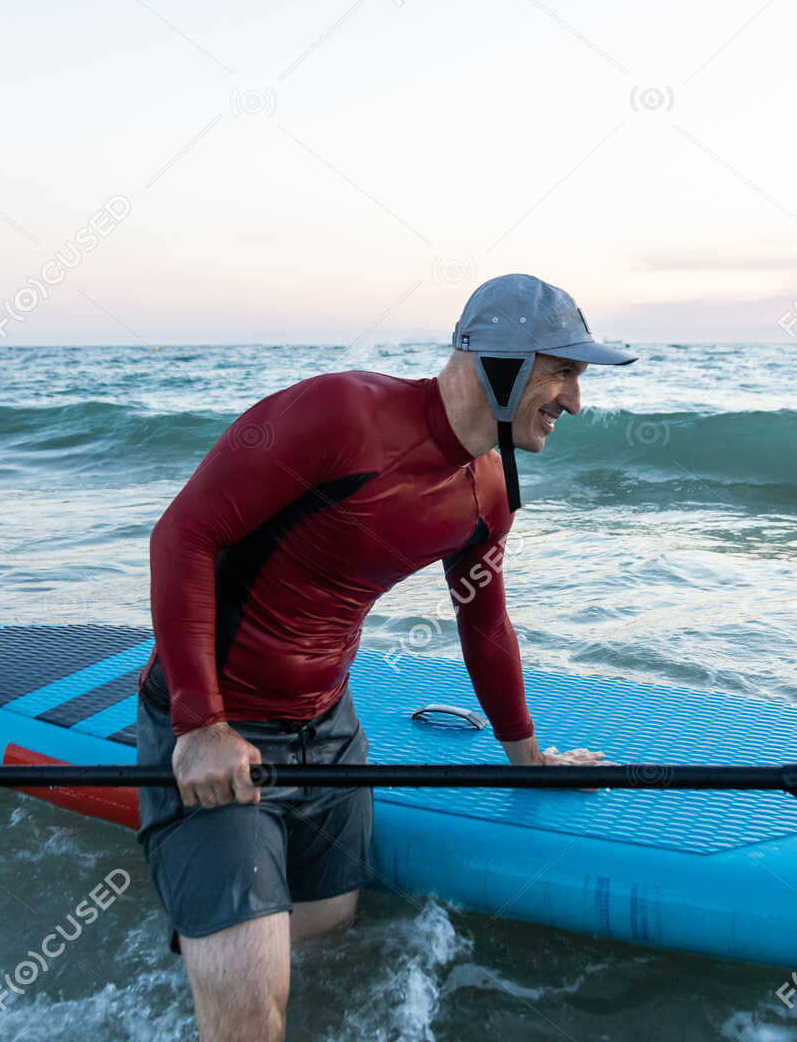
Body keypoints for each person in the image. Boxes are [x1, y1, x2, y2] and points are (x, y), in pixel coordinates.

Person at [136, 274, 637, 1041]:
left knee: (330, 940)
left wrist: (529, 762)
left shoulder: (490, 487)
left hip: (330, 733)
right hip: (221, 727)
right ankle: (209, 929)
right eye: (563, 372)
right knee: (247, 1011)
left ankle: (206, 931)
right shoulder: (340, 416)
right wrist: (199, 724)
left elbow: (484, 623)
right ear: (499, 363)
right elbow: (183, 536)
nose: (575, 401)